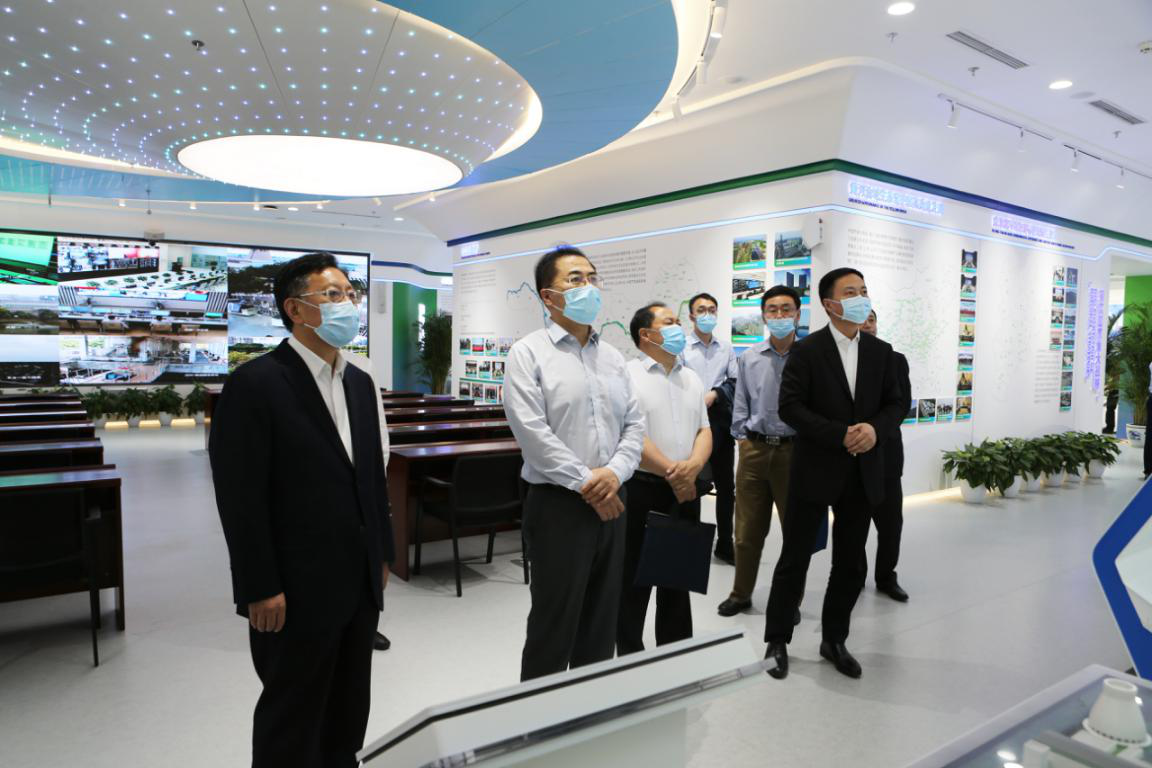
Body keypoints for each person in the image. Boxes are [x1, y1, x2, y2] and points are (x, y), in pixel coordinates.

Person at [209, 252, 395, 768]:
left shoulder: (358, 381)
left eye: (350, 295)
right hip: (293, 586)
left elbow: (370, 475)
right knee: (291, 715)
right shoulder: (256, 384)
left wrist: (382, 553)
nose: (347, 304)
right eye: (332, 295)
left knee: (348, 708)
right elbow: (240, 497)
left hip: (357, 579)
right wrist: (259, 586)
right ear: (295, 309)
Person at [504, 245, 644, 681]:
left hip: (615, 500)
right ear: (549, 297)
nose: (589, 286)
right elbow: (533, 435)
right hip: (558, 505)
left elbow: (634, 426)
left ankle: (590, 708)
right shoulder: (528, 353)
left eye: (592, 277)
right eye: (576, 279)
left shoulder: (614, 358)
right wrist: (588, 483)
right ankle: (537, 715)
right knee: (554, 621)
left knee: (602, 619)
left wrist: (614, 474)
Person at [762, 267, 907, 680]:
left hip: (863, 472)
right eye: (851, 292)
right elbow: (791, 407)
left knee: (850, 563)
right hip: (815, 469)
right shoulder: (807, 351)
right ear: (830, 304)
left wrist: (874, 430)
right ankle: (777, 639)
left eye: (864, 290)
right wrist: (840, 434)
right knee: (794, 558)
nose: (861, 298)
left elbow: (897, 404)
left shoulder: (882, 352)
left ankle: (834, 639)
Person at [618, 302, 712, 654]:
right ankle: (630, 658)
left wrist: (693, 467)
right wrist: (674, 472)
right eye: (669, 322)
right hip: (641, 488)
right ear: (646, 334)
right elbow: (630, 434)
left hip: (685, 491)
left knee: (677, 580)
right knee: (633, 580)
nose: (678, 328)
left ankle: (675, 656)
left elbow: (704, 430)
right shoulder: (627, 375)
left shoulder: (691, 377)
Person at [717, 286, 800, 618]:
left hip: (794, 453)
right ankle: (740, 594)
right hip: (754, 450)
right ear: (764, 316)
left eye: (786, 309)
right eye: (772, 310)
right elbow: (741, 402)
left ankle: (789, 600)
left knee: (795, 533)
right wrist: (742, 438)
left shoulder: (809, 357)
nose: (779, 315)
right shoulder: (750, 357)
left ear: (797, 313)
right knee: (746, 532)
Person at [679, 292, 738, 563]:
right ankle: (689, 541)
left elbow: (735, 381)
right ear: (691, 315)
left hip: (720, 423)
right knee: (691, 483)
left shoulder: (725, 348)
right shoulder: (681, 347)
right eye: (701, 310)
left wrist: (715, 393)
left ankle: (725, 543)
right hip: (689, 424)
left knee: (726, 488)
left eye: (712, 310)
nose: (707, 314)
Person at [860, 310, 910, 602]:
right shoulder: (843, 362)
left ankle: (886, 577)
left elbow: (901, 406)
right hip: (853, 455)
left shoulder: (895, 360)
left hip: (886, 455)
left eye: (872, 319)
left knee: (891, 524)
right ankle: (855, 575)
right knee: (854, 525)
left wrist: (874, 431)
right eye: (862, 320)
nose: (867, 324)